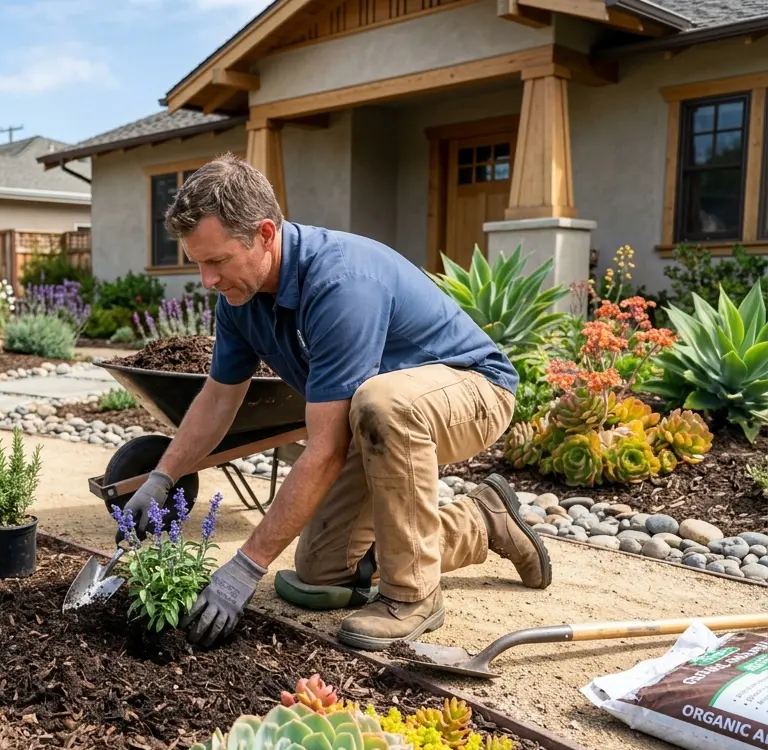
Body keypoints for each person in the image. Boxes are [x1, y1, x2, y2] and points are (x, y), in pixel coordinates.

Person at [118, 153, 551, 650]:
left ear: (263, 234)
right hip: (376, 418)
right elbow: (218, 400)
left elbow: (324, 448)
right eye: (199, 263)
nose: (208, 280)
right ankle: (485, 518)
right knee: (323, 572)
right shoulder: (239, 299)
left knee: (382, 401)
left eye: (217, 261)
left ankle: (413, 597)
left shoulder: (341, 282)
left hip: (472, 391)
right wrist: (162, 476)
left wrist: (244, 568)